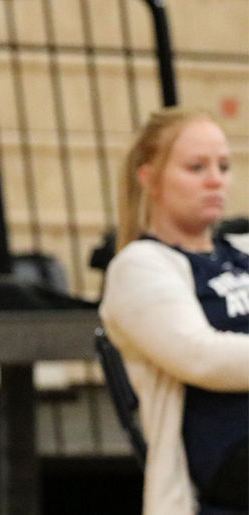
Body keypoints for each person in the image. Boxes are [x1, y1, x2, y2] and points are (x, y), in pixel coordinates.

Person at [99, 107, 248, 515]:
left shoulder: (242, 250)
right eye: (196, 167)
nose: (216, 179)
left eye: (223, 165)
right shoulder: (140, 265)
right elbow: (201, 356)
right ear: (150, 178)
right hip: (224, 452)